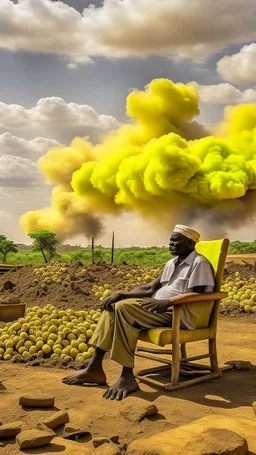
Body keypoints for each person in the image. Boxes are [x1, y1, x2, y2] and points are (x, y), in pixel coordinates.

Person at [63, 225, 215, 400]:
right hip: (160, 309)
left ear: (190, 242)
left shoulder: (199, 263)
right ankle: (94, 368)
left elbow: (203, 296)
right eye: (170, 241)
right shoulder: (171, 264)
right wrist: (121, 294)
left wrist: (169, 302)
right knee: (114, 306)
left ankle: (127, 376)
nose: (170, 244)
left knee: (124, 309)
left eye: (175, 241)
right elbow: (150, 288)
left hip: (181, 314)